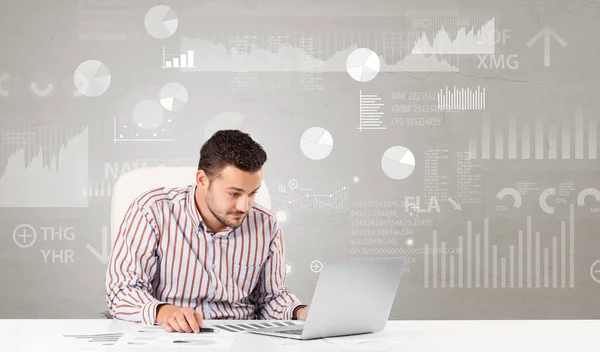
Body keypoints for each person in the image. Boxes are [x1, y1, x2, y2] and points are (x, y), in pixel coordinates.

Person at [105, 130, 309, 333]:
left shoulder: (266, 224)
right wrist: (164, 312)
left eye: (252, 193)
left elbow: (271, 298)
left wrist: (301, 312)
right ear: (202, 180)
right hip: (171, 335)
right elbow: (122, 290)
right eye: (234, 193)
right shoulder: (152, 210)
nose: (244, 206)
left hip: (243, 337)